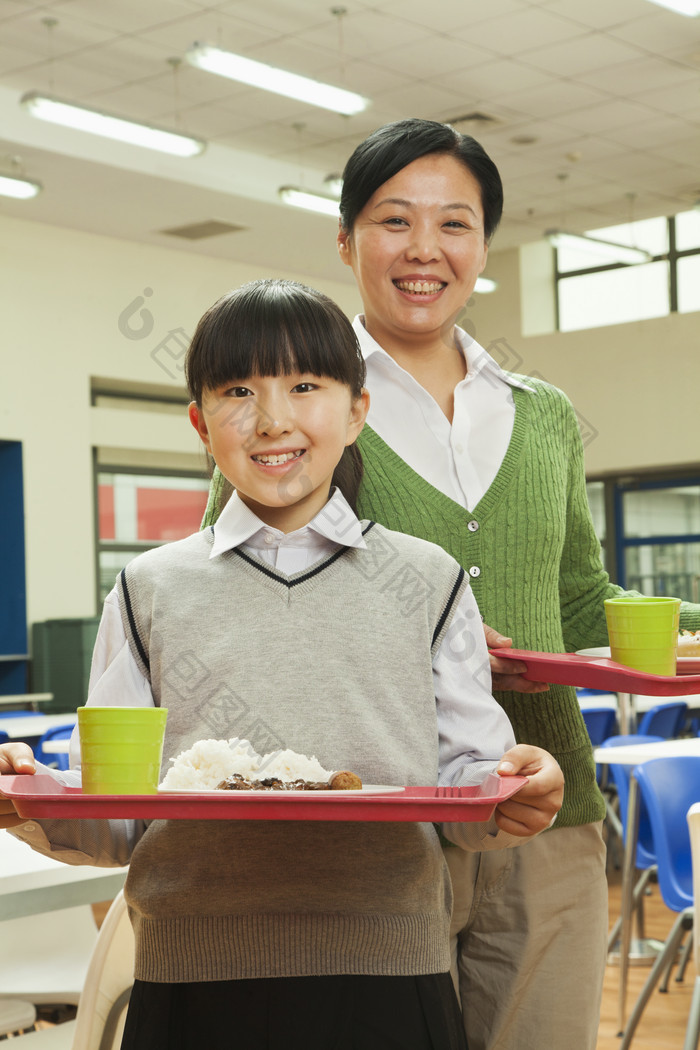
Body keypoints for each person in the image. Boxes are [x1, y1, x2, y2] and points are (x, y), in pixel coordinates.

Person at [201, 122, 700, 1050]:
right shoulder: (295, 397)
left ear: (483, 246)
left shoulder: (542, 414)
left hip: (547, 806)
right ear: (347, 241)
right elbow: (222, 598)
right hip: (380, 818)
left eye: (455, 224)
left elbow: (582, 597)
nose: (425, 249)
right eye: (395, 220)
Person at [0, 279, 564, 1050]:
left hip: (391, 967)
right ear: (201, 424)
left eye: (305, 385)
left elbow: (471, 791)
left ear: (357, 411)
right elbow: (120, 815)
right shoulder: (148, 587)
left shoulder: (428, 580)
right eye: (238, 390)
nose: (272, 419)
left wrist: (515, 794)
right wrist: (35, 805)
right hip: (191, 973)